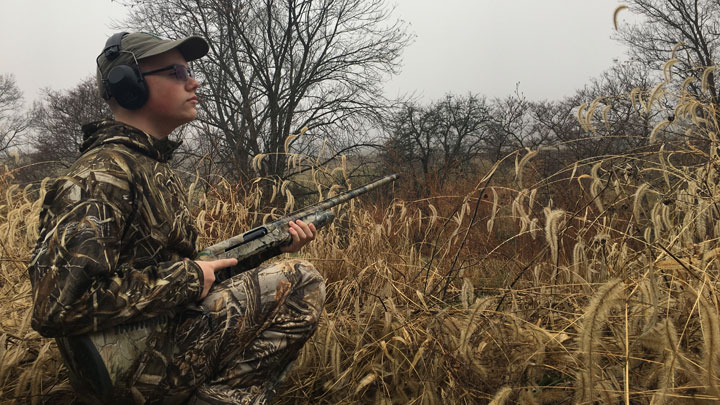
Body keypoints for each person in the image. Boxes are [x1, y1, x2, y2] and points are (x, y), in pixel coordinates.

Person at [27, 31, 325, 404]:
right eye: (176, 72)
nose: (194, 81)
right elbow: (57, 306)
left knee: (275, 272)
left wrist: (270, 246)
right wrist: (189, 276)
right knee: (301, 281)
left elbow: (167, 272)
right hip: (138, 371)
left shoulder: (150, 166)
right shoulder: (101, 175)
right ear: (130, 85)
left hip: (164, 340)